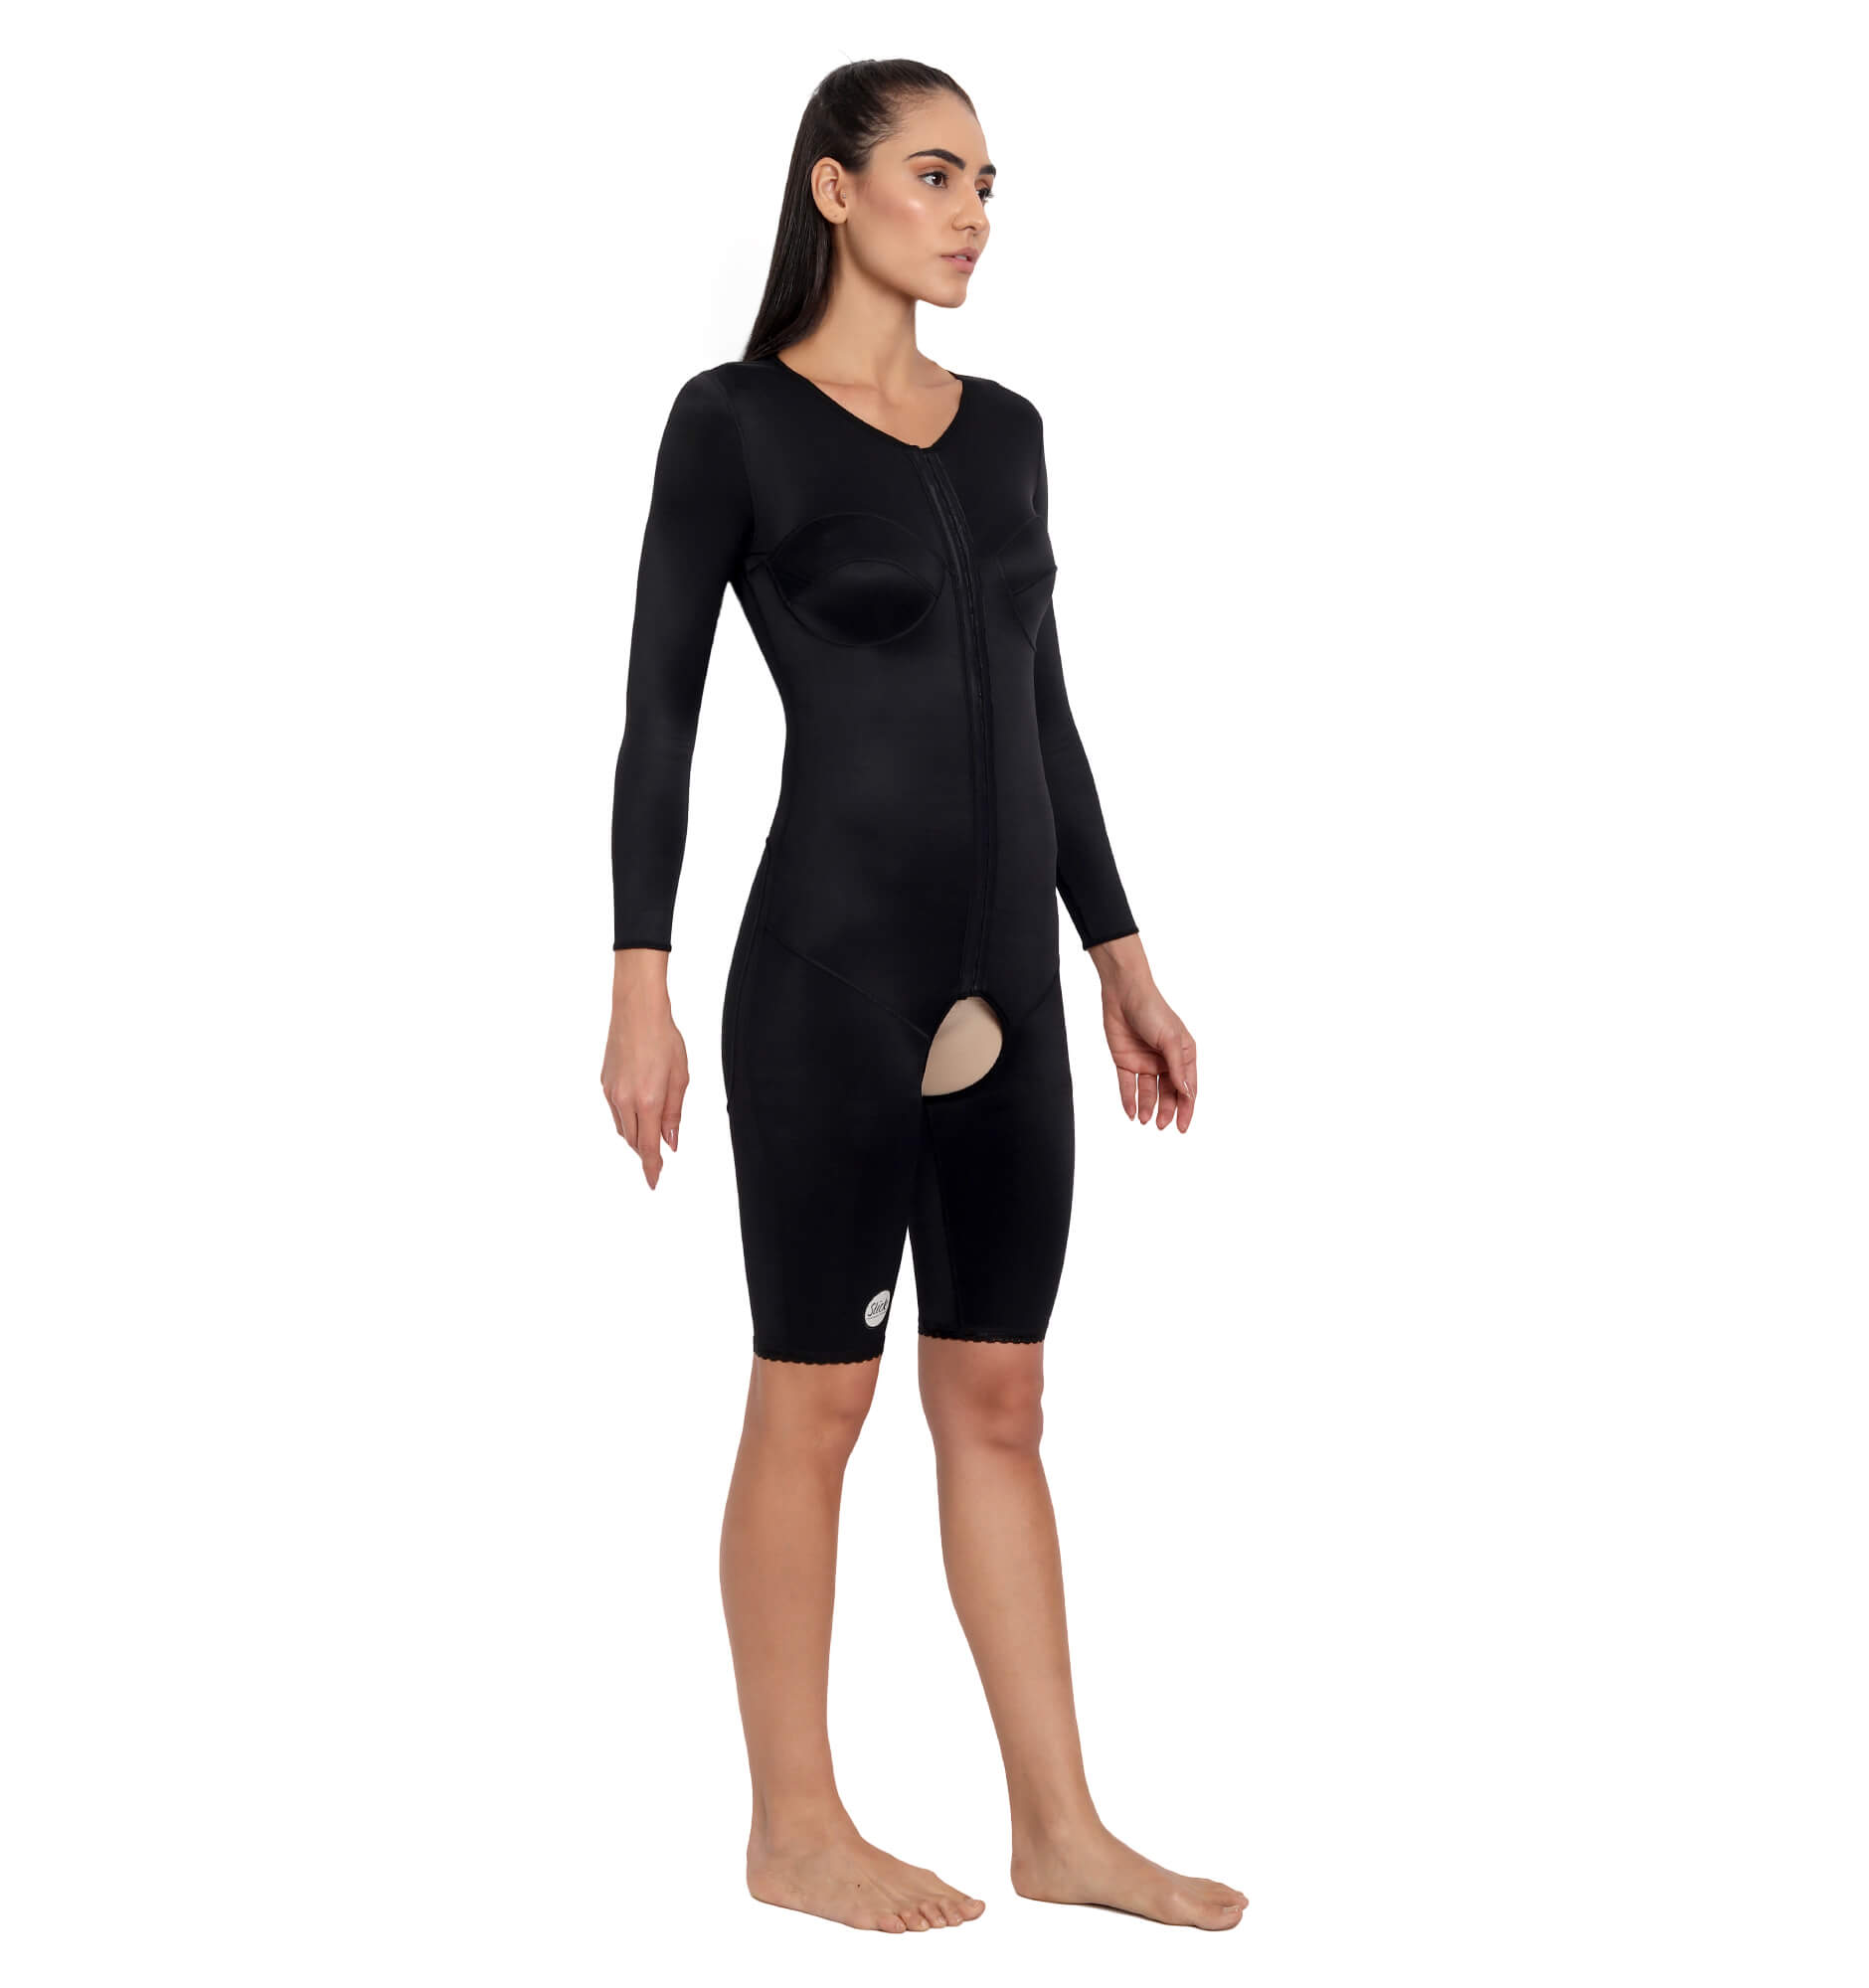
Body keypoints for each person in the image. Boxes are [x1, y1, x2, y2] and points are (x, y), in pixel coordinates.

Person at [601, 59, 1248, 1937]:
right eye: (936, 175)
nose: (972, 215)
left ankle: (1063, 1827)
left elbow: (1043, 706)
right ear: (834, 190)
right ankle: (794, 1826)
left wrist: (1121, 957)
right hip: (828, 978)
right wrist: (637, 984)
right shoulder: (734, 422)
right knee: (816, 1402)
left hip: (1013, 987)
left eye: (988, 185)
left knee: (1003, 1398)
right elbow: (658, 715)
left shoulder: (1007, 431)